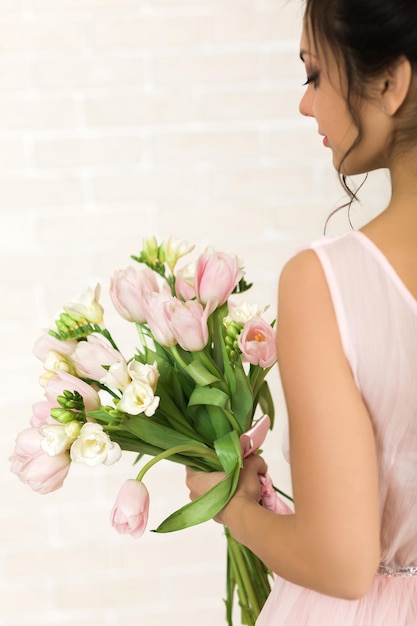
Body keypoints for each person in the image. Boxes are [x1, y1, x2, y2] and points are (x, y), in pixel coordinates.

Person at [185, 0, 417, 623]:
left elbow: (342, 564)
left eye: (314, 75)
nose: (305, 103)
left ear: (392, 83)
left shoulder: (330, 282)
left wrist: (232, 507)